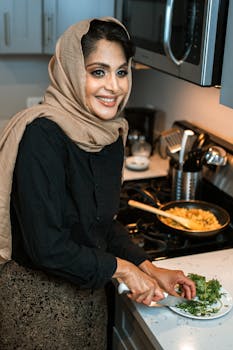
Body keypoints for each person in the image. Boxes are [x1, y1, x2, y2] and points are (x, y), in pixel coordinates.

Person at [0, 17, 196, 349]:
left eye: (121, 72)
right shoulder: (41, 136)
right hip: (35, 305)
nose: (114, 87)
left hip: (90, 295)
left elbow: (99, 224)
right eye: (98, 72)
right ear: (72, 71)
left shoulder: (111, 134)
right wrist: (123, 270)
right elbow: (47, 247)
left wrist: (147, 267)